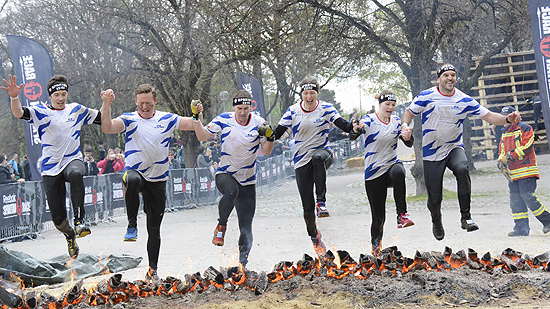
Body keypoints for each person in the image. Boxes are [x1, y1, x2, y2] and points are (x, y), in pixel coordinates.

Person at [401, 64, 521, 241]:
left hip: (453, 147)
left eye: (453, 75)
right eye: (446, 75)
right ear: (438, 79)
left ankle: (466, 217)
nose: (450, 78)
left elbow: (488, 116)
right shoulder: (426, 96)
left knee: (463, 168)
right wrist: (405, 126)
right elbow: (408, 113)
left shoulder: (463, 99)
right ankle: (437, 221)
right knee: (435, 199)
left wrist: (506, 119)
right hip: (432, 152)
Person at [100, 84, 202, 281]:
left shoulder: (167, 118)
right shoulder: (129, 119)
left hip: (158, 179)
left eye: (148, 103)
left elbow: (192, 124)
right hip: (136, 171)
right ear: (136, 103)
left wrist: (197, 114)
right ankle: (131, 224)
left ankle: (152, 270)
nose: (144, 107)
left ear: (155, 101)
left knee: (154, 229)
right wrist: (106, 105)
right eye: (141, 103)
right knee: (131, 178)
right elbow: (107, 127)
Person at [2, 74, 98, 258]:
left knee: (77, 173)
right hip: (51, 167)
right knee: (58, 221)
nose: (61, 98)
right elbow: (18, 113)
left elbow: (102, 118)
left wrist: (107, 103)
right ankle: (70, 235)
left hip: (72, 159)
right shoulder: (40, 111)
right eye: (57, 95)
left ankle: (79, 222)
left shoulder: (76, 109)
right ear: (50, 96)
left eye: (63, 94)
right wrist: (14, 97)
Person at [271, 77, 360, 257]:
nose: (309, 96)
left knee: (317, 157)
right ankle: (314, 236)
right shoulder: (293, 111)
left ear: (317, 93)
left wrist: (354, 126)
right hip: (301, 161)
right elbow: (276, 134)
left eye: (312, 93)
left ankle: (322, 202)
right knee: (307, 208)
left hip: (323, 153)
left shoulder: (326, 108)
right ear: (301, 94)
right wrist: (264, 132)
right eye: (306, 93)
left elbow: (343, 124)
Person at [192, 90, 274, 268]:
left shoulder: (259, 122)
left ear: (251, 107)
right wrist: (196, 118)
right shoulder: (224, 119)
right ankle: (221, 226)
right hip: (226, 173)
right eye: (239, 109)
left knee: (246, 226)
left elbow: (267, 151)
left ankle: (242, 264)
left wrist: (270, 136)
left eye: (246, 108)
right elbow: (201, 136)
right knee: (231, 191)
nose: (243, 113)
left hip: (248, 180)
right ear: (233, 108)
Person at [351, 90, 415, 255]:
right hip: (373, 173)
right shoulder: (370, 120)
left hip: (391, 166)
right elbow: (355, 133)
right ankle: (376, 249)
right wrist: (356, 129)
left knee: (400, 171)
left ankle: (402, 214)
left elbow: (408, 143)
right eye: (387, 104)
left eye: (393, 105)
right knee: (378, 219)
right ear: (380, 104)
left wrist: (408, 137)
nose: (391, 107)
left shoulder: (395, 121)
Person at [497, 106, 550, 236]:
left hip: (527, 170)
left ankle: (548, 220)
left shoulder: (525, 128)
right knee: (515, 200)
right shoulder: (504, 132)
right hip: (514, 173)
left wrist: (508, 156)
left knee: (527, 196)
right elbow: (501, 150)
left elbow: (526, 147)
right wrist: (501, 163)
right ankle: (521, 229)